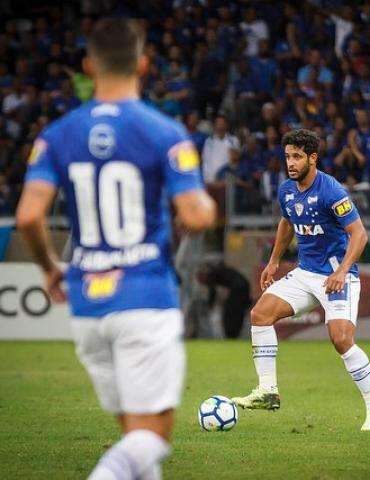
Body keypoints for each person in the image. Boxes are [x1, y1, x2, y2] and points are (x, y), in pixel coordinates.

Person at [15, 19, 215, 480]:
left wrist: (49, 267)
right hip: (144, 296)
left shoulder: (56, 135)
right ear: (144, 65)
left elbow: (28, 215)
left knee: (133, 432)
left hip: (87, 303)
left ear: (89, 67)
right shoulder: (164, 131)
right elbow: (198, 214)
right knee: (154, 435)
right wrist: (198, 201)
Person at [232, 129, 370, 431]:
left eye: (297, 156)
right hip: (305, 273)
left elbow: (359, 234)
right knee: (260, 314)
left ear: (312, 158)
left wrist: (342, 271)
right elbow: (287, 221)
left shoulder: (331, 191)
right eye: (288, 156)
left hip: (336, 276)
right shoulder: (287, 190)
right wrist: (274, 260)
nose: (290, 162)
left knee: (341, 340)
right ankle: (268, 391)